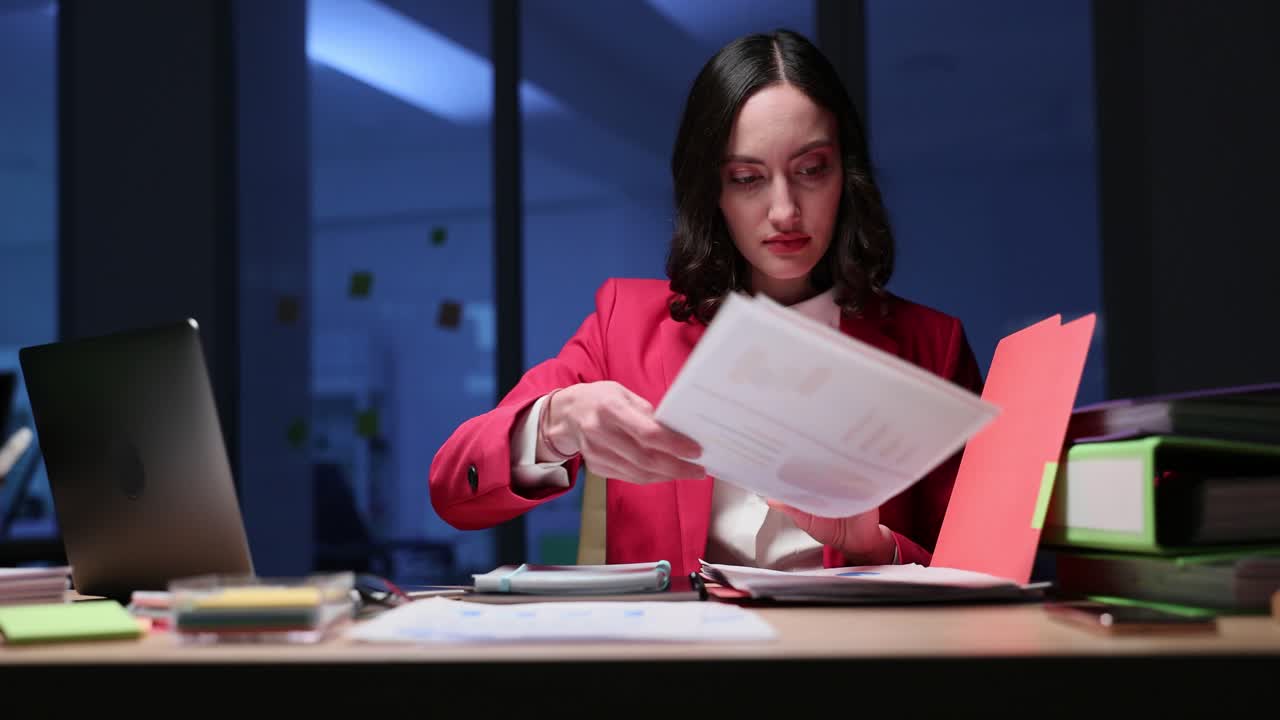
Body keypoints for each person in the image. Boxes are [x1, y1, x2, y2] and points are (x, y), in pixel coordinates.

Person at [429, 29, 982, 578]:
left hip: (853, 662)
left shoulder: (931, 345)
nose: (785, 210)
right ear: (712, 193)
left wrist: (875, 547)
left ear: (847, 175)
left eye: (812, 170)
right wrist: (553, 422)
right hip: (681, 660)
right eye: (747, 178)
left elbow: (984, 578)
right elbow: (454, 490)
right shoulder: (627, 322)